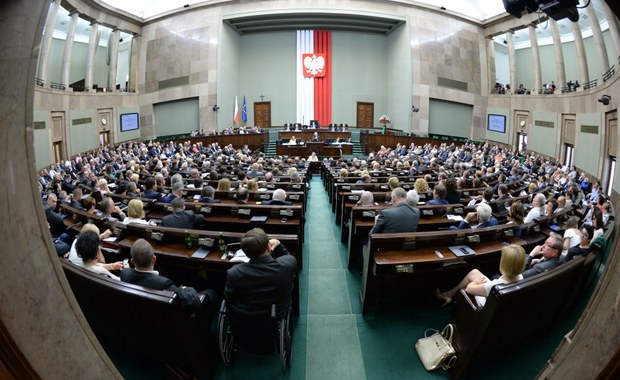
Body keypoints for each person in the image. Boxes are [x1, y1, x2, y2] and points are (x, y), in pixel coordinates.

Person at [121, 238, 211, 314]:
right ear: (154, 259)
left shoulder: (124, 274)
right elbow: (194, 302)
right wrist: (186, 289)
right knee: (211, 292)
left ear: (132, 261)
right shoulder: (164, 284)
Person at [224, 228, 297, 317]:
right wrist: (278, 243)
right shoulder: (286, 267)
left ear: (245, 253)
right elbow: (288, 258)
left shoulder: (234, 273)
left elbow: (229, 299)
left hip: (244, 319)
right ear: (269, 247)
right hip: (274, 317)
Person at [435, 244, 526, 307]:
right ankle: (449, 294)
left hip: (486, 304)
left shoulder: (493, 286)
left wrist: (474, 282)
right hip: (498, 295)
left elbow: (469, 289)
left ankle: (448, 295)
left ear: (503, 264)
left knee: (472, 279)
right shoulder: (521, 277)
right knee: (474, 272)